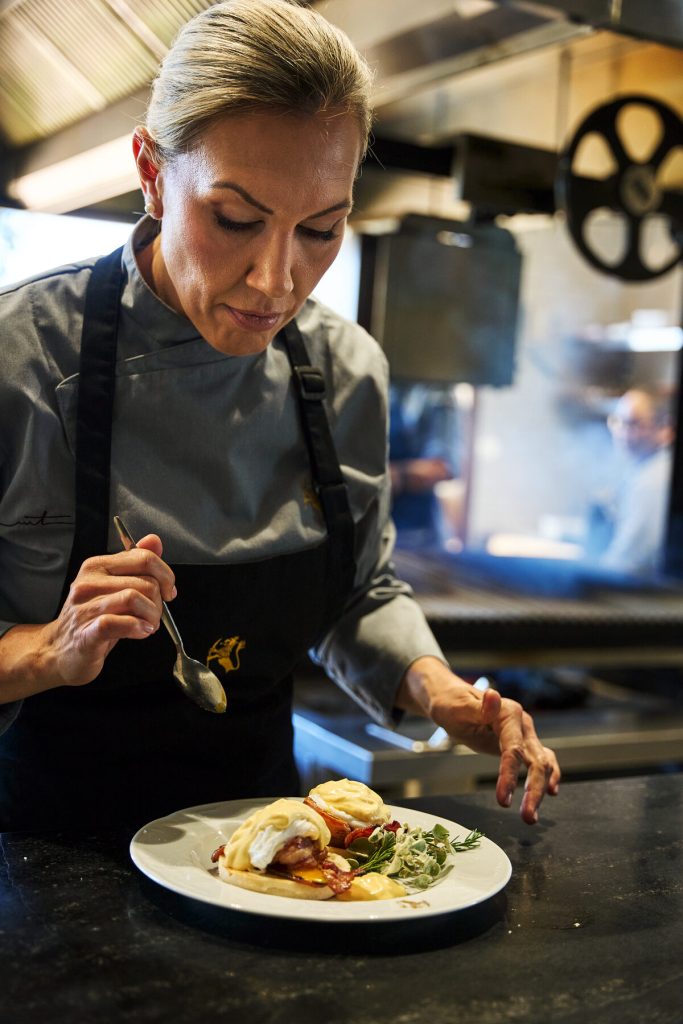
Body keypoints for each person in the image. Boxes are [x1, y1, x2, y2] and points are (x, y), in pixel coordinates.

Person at [0, 0, 559, 831]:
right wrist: (49, 650)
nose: (276, 282)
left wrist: (442, 693)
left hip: (265, 856)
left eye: (321, 230)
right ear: (152, 173)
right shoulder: (24, 361)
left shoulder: (344, 370)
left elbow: (357, 593)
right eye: (235, 220)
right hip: (39, 868)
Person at [597, 387, 675, 574]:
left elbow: (628, 557)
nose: (622, 433)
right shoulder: (643, 468)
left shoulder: (654, 479)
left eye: (633, 424)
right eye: (618, 422)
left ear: (663, 429)